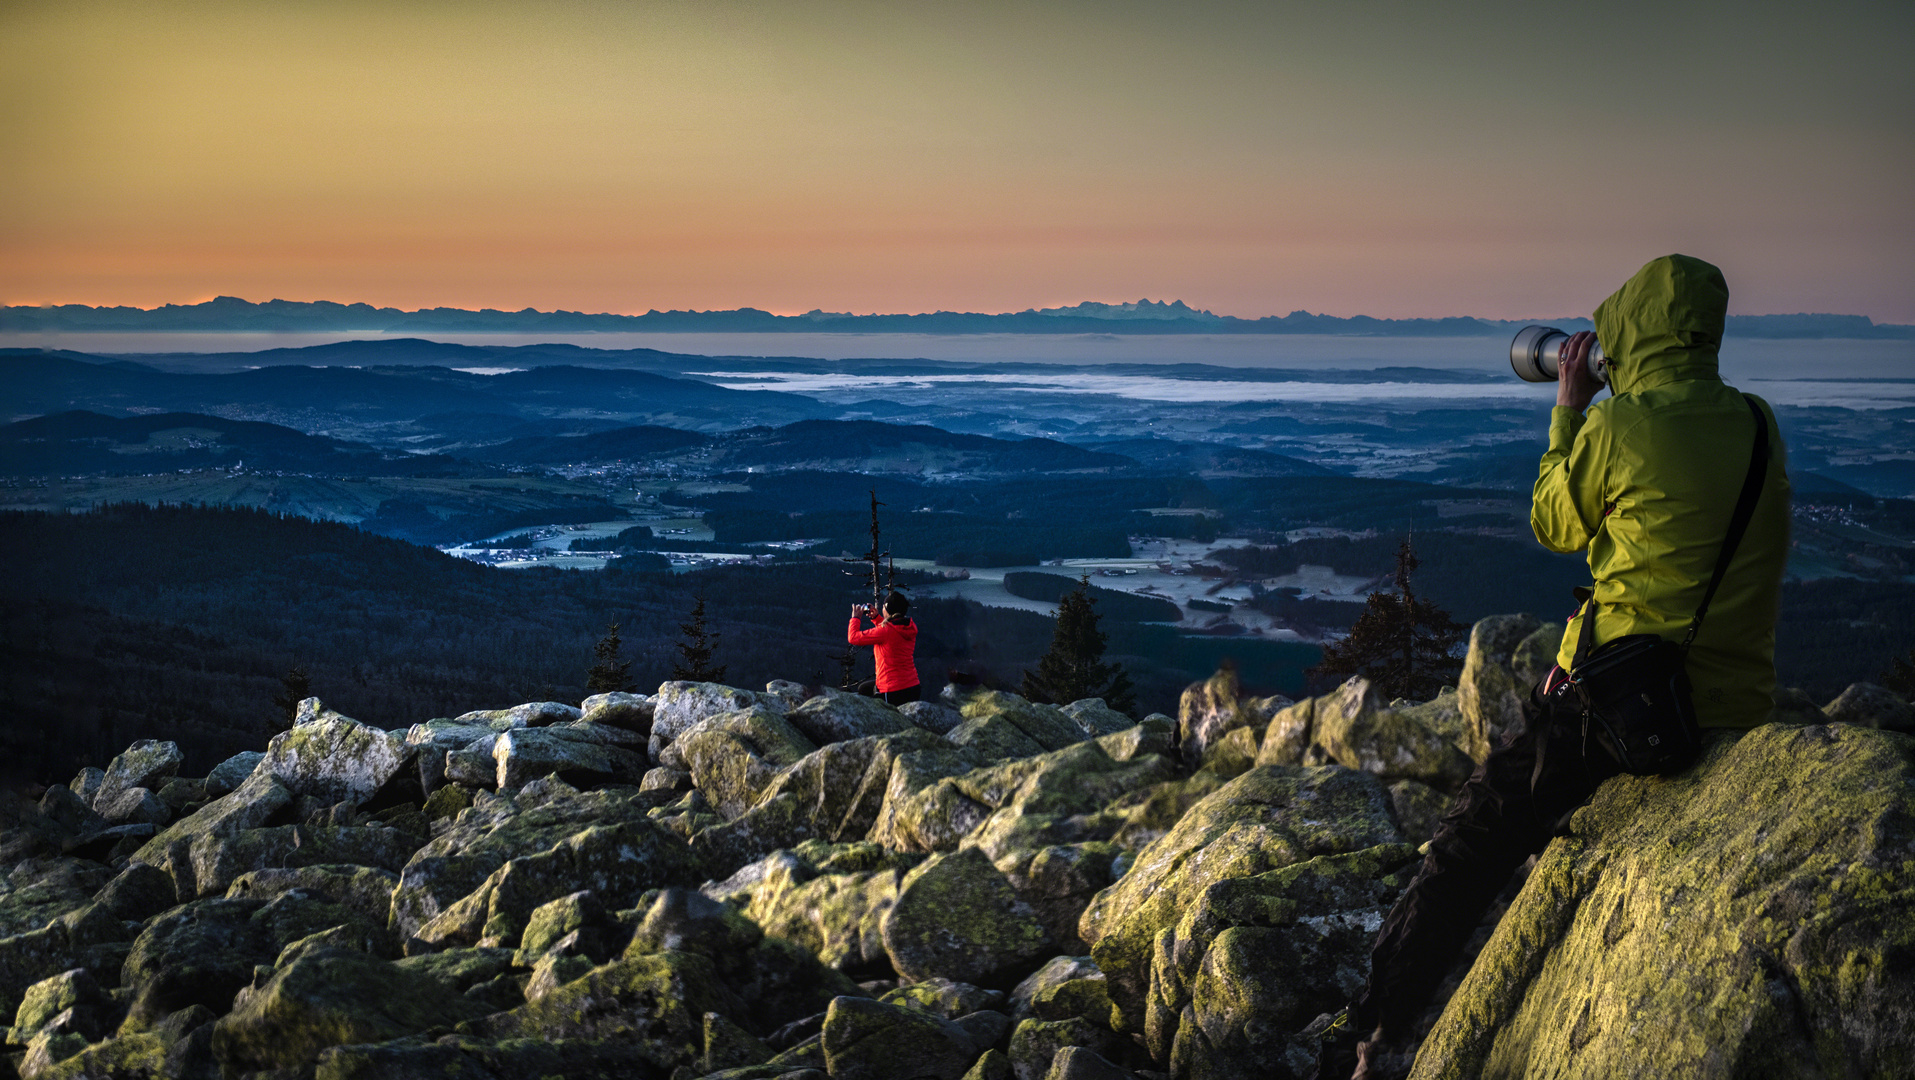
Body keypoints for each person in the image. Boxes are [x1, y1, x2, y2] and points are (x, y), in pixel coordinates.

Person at [1316, 254, 1791, 1079]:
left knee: (1469, 843)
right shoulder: (1756, 421)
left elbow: (1552, 522)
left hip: (1619, 706)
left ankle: (1372, 1033)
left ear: (1628, 335)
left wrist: (1570, 411)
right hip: (1732, 703)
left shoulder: (1620, 426)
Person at [848, 590, 921, 705]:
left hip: (893, 691)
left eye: (883, 607)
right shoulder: (908, 626)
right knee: (864, 688)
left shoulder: (885, 631)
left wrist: (855, 618)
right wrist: (876, 618)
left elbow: (853, 638)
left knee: (864, 693)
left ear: (887, 610)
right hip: (913, 686)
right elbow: (892, 632)